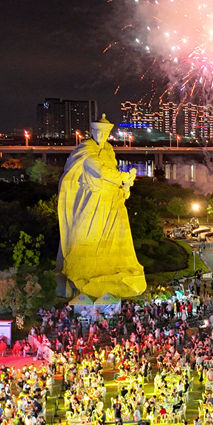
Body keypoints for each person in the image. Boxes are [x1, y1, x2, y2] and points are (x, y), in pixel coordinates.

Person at [56, 113, 146, 298]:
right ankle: (81, 276)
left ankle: (112, 273)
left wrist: (124, 185)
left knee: (116, 239)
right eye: (99, 133)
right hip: (93, 201)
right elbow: (98, 170)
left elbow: (111, 170)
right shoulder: (86, 149)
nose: (102, 137)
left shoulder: (108, 150)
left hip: (111, 200)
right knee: (87, 235)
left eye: (106, 134)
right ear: (93, 132)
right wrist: (123, 176)